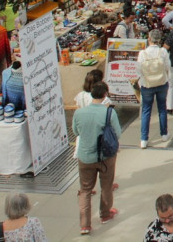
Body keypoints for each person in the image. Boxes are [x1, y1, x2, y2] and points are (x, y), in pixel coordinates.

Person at [71, 82, 120, 234]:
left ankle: (85, 225)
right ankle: (105, 215)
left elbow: (75, 132)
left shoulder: (79, 113)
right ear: (105, 95)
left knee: (85, 190)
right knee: (106, 186)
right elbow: (117, 133)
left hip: (85, 157)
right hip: (105, 157)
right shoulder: (109, 113)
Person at [136, 29, 170, 148]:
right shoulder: (163, 52)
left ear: (149, 39)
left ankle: (144, 139)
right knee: (162, 108)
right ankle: (164, 134)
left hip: (147, 84)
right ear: (159, 40)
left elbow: (139, 70)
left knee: (146, 111)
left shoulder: (142, 53)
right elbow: (168, 66)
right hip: (161, 83)